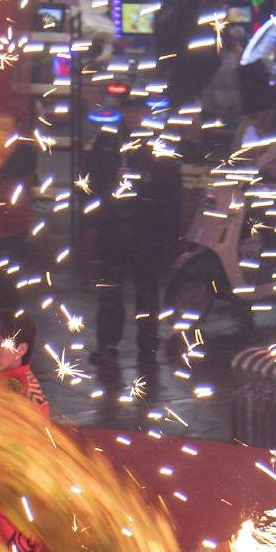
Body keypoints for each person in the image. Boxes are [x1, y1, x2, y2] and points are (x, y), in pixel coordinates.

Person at [85, 125, 182, 373]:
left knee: (146, 296)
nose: (133, 117)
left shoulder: (158, 150)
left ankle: (146, 350)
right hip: (114, 233)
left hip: (145, 236)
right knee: (111, 294)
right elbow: (90, 184)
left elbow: (172, 196)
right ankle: (108, 346)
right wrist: (93, 222)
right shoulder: (107, 143)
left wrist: (168, 236)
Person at [154, 0, 222, 104]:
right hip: (175, 52)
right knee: (176, 99)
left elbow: (217, 19)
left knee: (196, 100)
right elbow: (161, 25)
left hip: (203, 54)